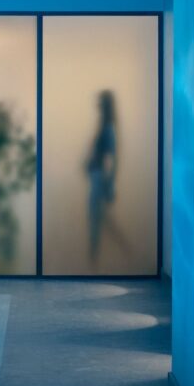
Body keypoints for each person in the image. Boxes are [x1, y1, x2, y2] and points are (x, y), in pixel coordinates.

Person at [86, 89, 128, 263]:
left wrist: (109, 183)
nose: (98, 106)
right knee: (102, 219)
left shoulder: (108, 128)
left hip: (99, 179)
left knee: (96, 219)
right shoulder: (104, 126)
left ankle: (93, 260)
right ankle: (125, 249)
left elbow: (113, 158)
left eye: (101, 103)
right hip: (97, 177)